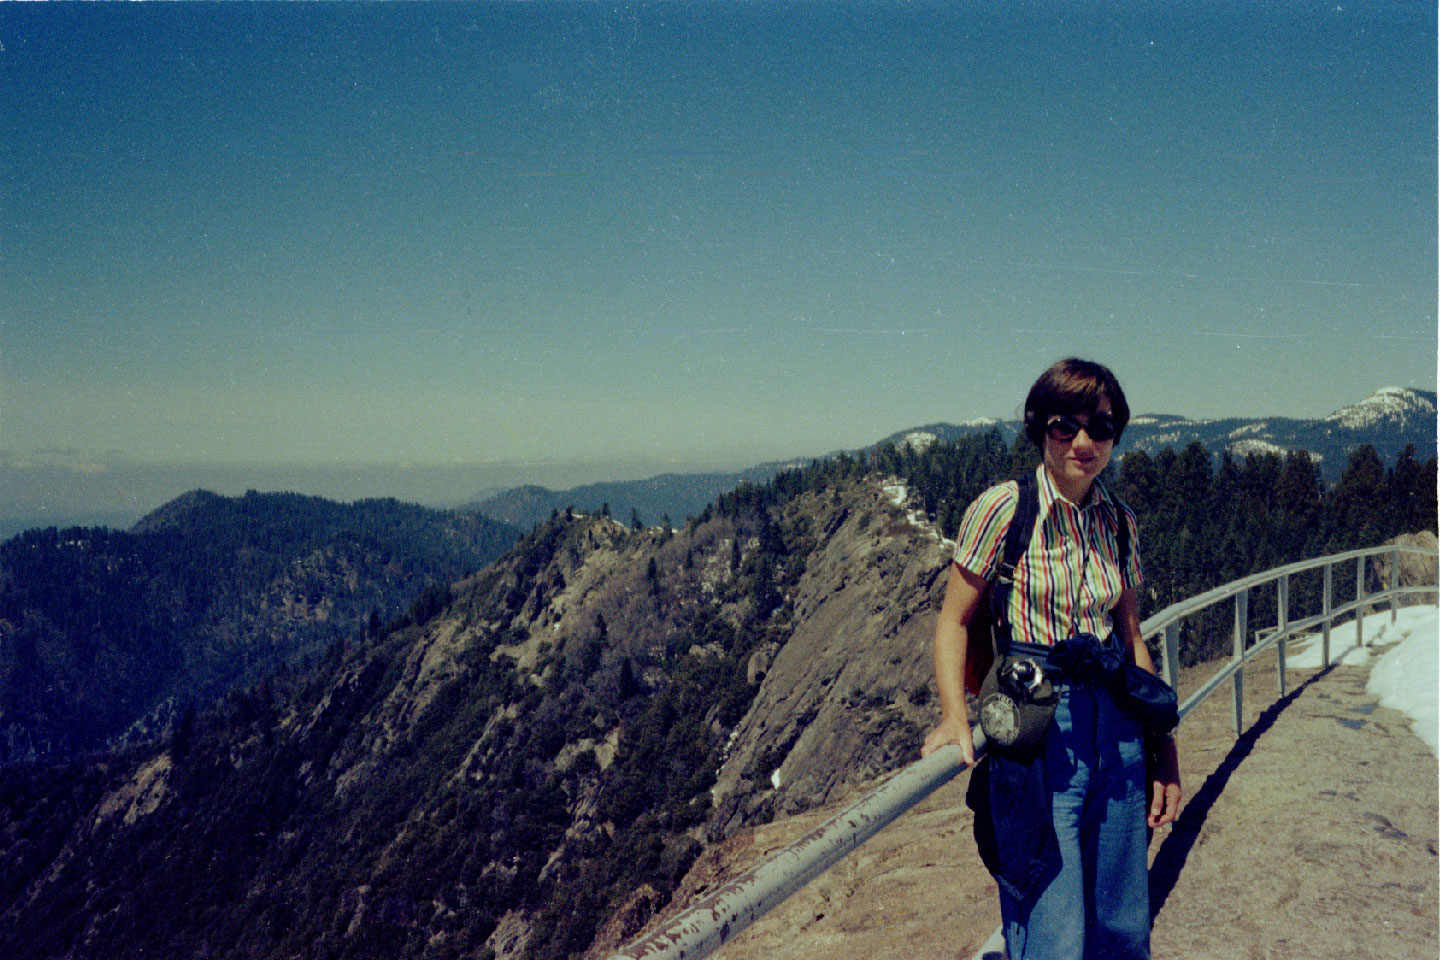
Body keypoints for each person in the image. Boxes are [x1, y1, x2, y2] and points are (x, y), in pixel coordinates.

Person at [922, 357, 1182, 960]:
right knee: (1052, 925)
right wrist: (955, 714)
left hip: (1117, 730)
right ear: (1041, 429)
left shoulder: (1118, 522)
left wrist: (1163, 750)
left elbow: (1133, 641)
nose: (1083, 443)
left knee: (1122, 923)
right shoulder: (1004, 509)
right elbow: (953, 620)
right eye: (1066, 426)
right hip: (1039, 730)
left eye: (1101, 427)